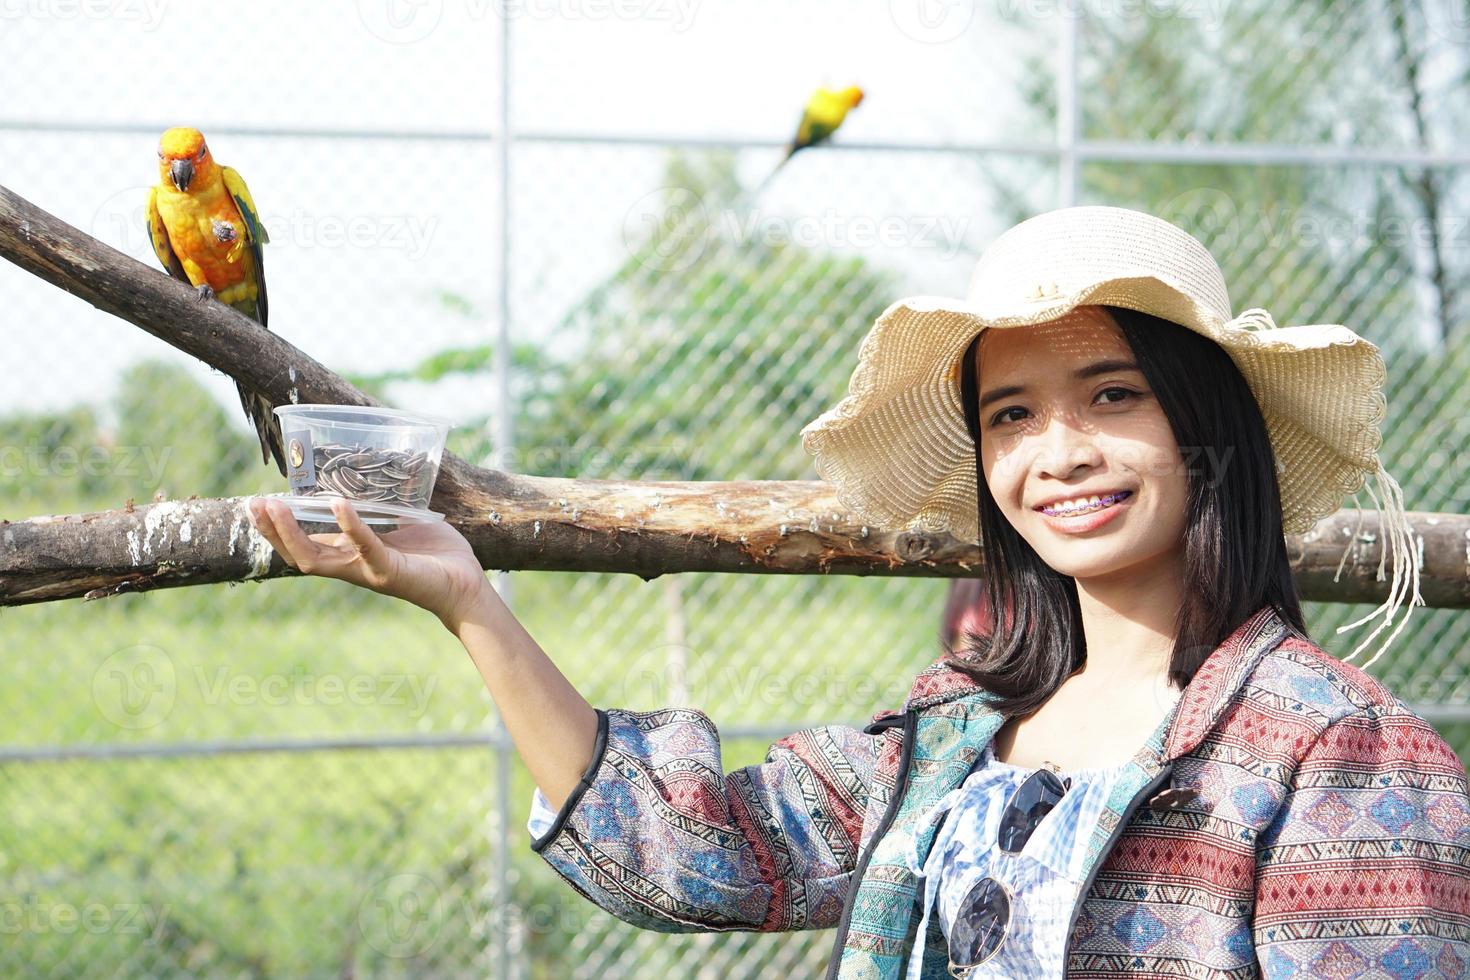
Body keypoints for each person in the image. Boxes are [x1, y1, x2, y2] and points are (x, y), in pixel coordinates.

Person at [246, 206, 1470, 978]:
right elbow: (694, 855)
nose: (1060, 452)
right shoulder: (955, 729)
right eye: (1011, 414)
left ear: (1206, 426)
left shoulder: (1338, 749)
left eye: (1113, 395)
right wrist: (469, 601)